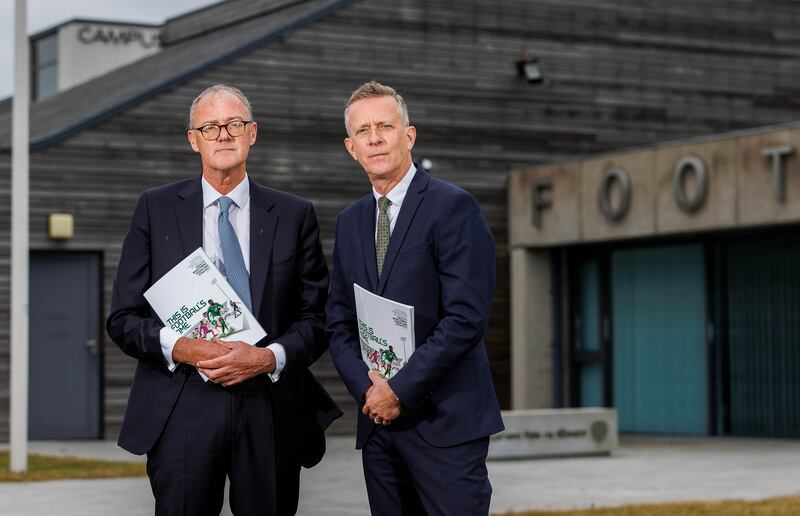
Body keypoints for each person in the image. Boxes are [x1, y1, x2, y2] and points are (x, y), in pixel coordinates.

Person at [107, 84, 340, 516]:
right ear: (193, 139)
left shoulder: (294, 214)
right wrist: (182, 347)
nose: (223, 135)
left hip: (268, 405)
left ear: (252, 133)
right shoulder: (154, 209)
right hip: (183, 403)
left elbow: (318, 317)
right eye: (210, 127)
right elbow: (123, 318)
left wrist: (268, 358)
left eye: (234, 124)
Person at [326, 81, 504, 515]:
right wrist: (372, 391)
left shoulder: (453, 207)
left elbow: (466, 318)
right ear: (351, 148)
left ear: (409, 135)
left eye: (385, 126)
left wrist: (399, 390)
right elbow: (338, 323)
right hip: (380, 429)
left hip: (445, 423)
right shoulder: (350, 222)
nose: (375, 138)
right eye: (363, 131)